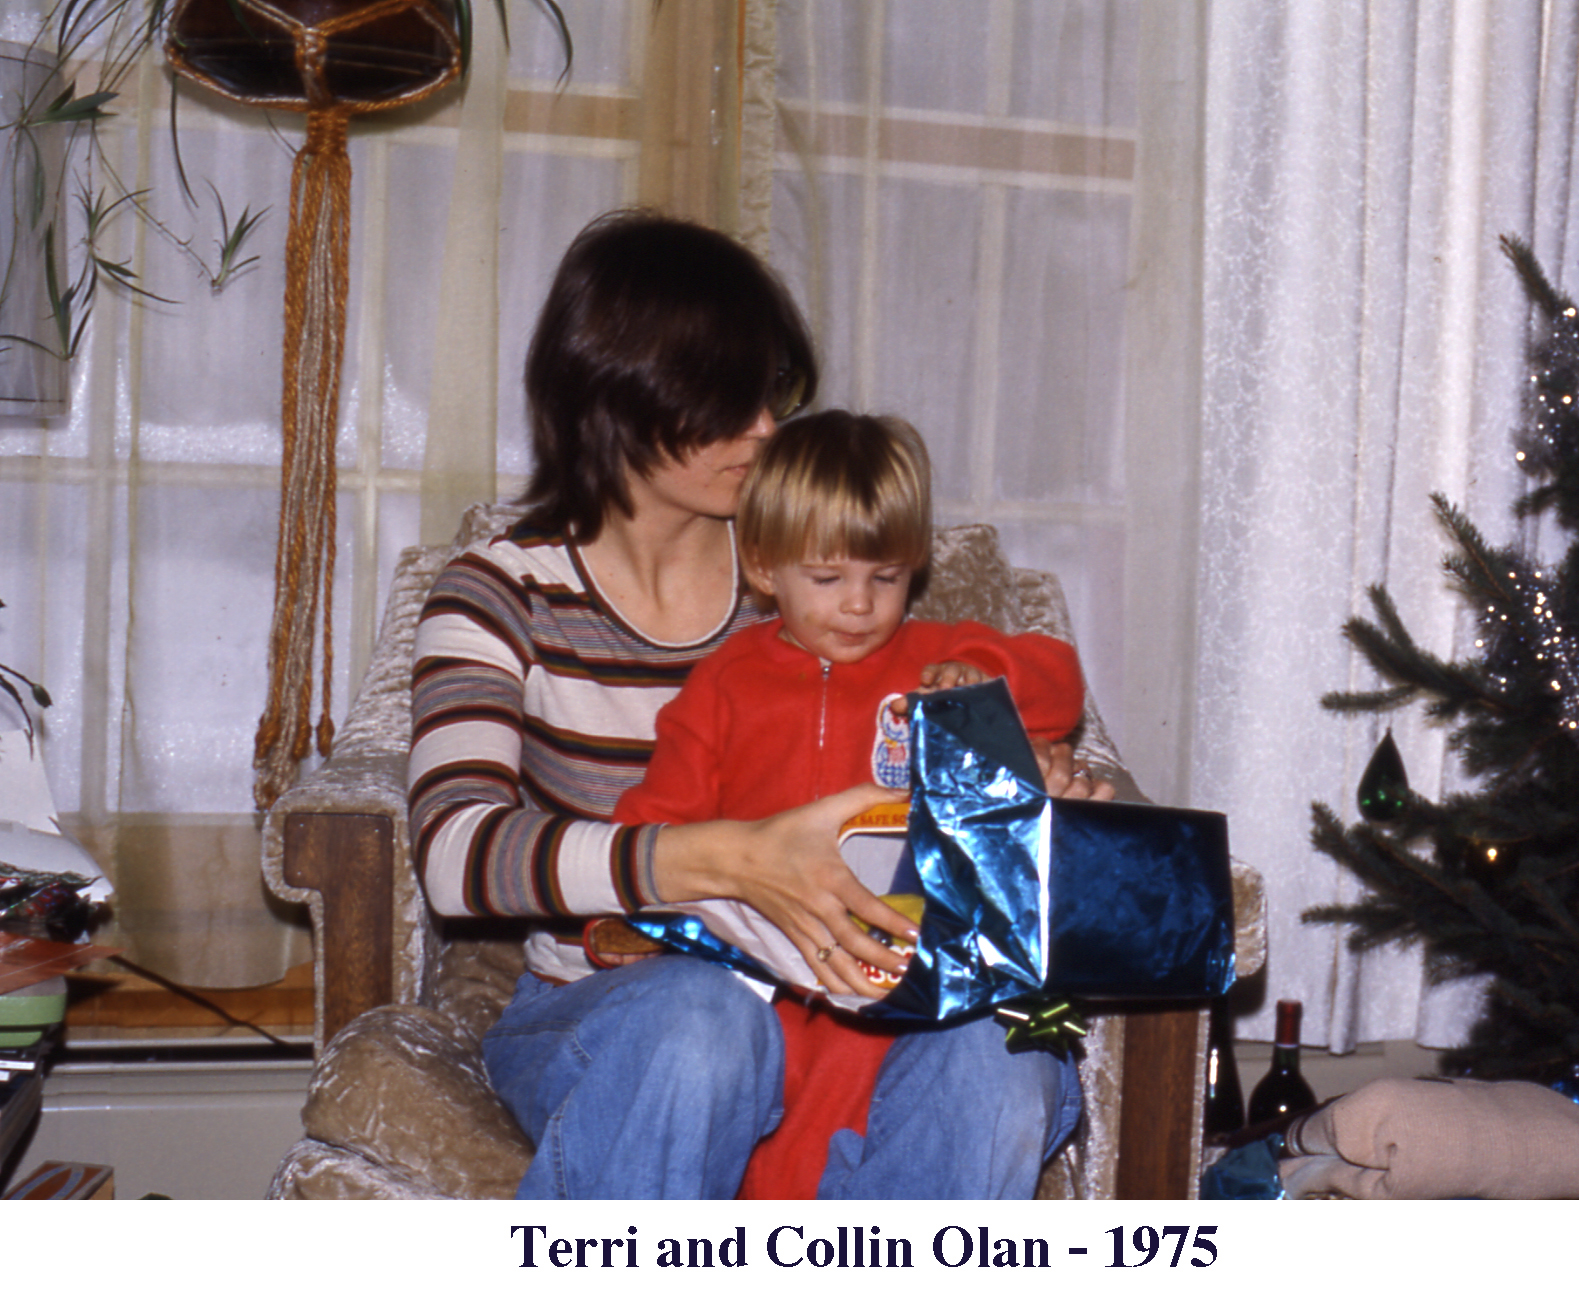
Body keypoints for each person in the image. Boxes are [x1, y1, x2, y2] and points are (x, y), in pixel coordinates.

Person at [408, 209, 1106, 1200]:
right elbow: (455, 854)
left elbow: (980, 706)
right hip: (609, 1005)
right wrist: (738, 857)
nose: (767, 430)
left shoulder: (811, 579)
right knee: (702, 1023)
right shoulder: (500, 593)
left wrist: (1045, 774)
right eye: (729, 402)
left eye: (770, 396)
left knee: (1005, 1056)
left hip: (860, 1009)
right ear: (619, 398)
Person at [611, 410, 1086, 1196]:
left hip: (922, 958)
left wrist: (979, 672)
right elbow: (653, 828)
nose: (860, 606)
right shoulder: (726, 683)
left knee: (964, 1062)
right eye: (828, 579)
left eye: (886, 577)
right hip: (779, 960)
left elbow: (1059, 682)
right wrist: (636, 925)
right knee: (778, 1071)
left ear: (916, 567)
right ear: (765, 567)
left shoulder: (934, 658)